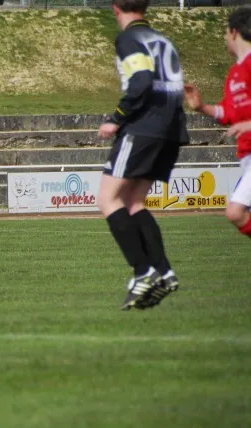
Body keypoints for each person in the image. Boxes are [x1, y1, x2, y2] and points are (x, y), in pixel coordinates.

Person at [96, 0, 189, 310]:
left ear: (115, 8)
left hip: (144, 127)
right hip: (171, 128)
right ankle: (164, 271)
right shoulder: (163, 40)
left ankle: (143, 271)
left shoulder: (129, 38)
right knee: (134, 202)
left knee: (108, 199)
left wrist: (116, 118)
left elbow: (141, 81)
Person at [184, 6, 251, 240]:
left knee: (235, 212)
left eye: (225, 32)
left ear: (234, 32)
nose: (224, 38)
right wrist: (201, 107)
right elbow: (228, 113)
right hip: (246, 155)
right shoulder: (234, 73)